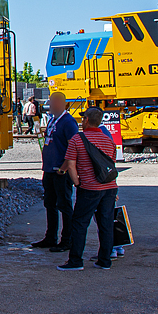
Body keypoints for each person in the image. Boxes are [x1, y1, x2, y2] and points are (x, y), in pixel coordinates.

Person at [57, 107, 118, 271]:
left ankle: (76, 261)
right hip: (109, 187)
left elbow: (70, 165)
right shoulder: (108, 140)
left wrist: (77, 183)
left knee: (80, 223)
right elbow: (111, 165)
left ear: (86, 120)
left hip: (89, 188)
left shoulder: (77, 139)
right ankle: (105, 260)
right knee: (106, 223)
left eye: (83, 119)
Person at [32, 92, 78, 251]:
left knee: (64, 205)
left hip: (60, 171)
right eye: (50, 102)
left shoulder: (68, 122)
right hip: (49, 169)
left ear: (62, 104)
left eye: (54, 102)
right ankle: (50, 237)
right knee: (50, 204)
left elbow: (74, 147)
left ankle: (67, 240)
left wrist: (64, 168)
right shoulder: (53, 120)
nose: (51, 105)